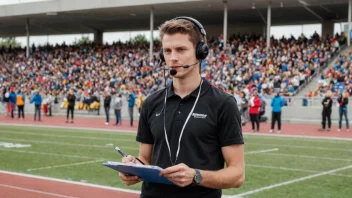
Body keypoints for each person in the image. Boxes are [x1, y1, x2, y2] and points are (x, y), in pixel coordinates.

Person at [119, 16, 244, 198]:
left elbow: (237, 175)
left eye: (181, 49)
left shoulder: (223, 104)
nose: (173, 58)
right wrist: (133, 167)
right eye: (167, 51)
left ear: (201, 52)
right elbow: (145, 159)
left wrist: (196, 176)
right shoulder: (151, 102)